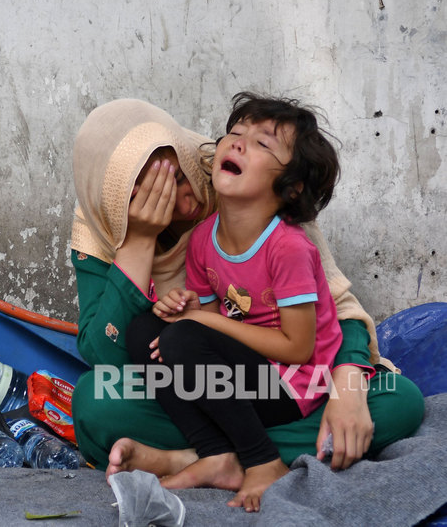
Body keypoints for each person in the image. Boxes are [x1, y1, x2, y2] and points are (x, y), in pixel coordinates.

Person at [68, 97, 424, 497]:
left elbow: (335, 312)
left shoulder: (247, 189)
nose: (178, 194)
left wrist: (347, 387)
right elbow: (109, 356)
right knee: (95, 401)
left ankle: (204, 456)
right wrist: (137, 241)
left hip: (287, 378)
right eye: (147, 191)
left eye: (175, 175)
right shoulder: (102, 227)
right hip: (208, 381)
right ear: (115, 202)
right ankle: (226, 453)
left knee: (399, 401)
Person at [128, 92, 349, 511]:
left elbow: (299, 349)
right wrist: (182, 308)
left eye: (263, 143)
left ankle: (263, 460)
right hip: (242, 375)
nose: (238, 142)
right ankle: (216, 455)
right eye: (235, 132)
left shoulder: (288, 248)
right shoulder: (203, 240)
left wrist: (199, 324)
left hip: (291, 385)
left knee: (184, 338)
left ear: (292, 186)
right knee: (145, 331)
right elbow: (206, 322)